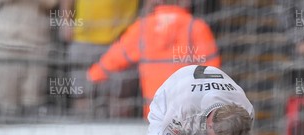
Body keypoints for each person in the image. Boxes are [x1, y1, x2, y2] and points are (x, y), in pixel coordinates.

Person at [86, 0, 220, 117]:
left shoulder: (143, 27)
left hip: (154, 115)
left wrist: (94, 74)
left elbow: (114, 58)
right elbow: (213, 73)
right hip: (189, 115)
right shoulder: (196, 27)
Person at [59, 0, 140, 118]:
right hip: (84, 40)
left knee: (120, 102)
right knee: (82, 98)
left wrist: (138, 29)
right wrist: (65, 21)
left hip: (122, 40)